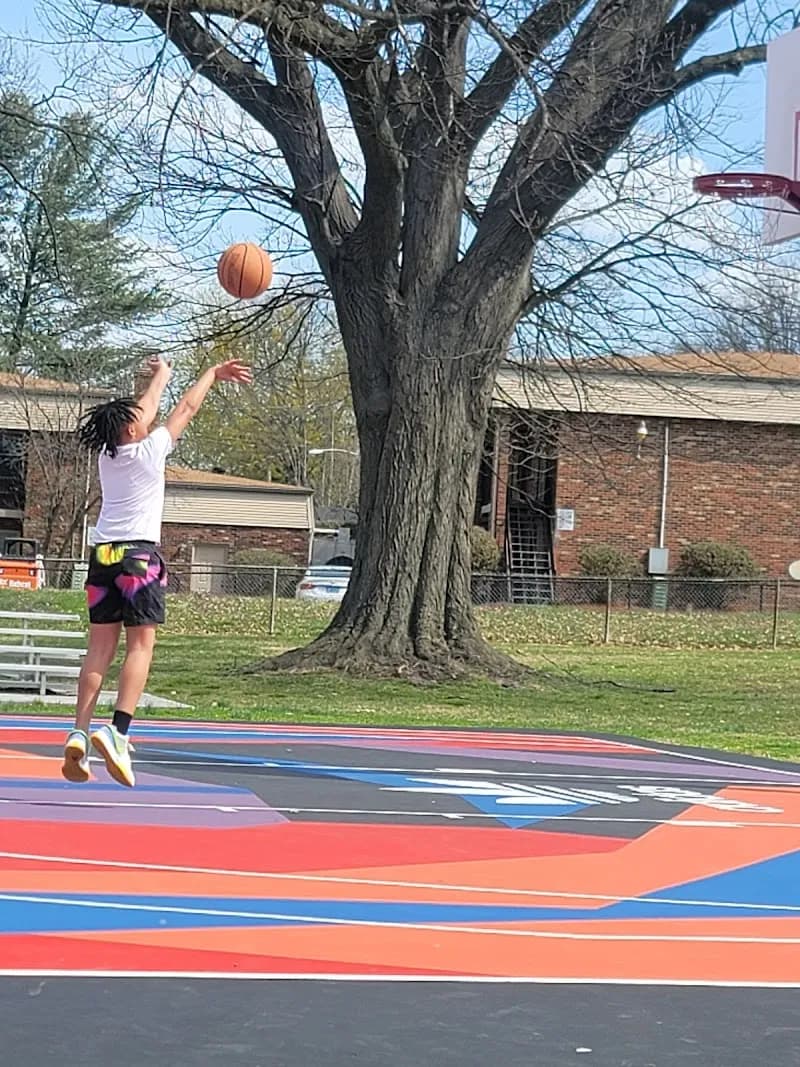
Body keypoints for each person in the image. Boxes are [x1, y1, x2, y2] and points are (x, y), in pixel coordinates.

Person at [61, 354, 252, 787]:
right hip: (139, 557)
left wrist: (161, 374)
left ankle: (78, 730)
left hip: (102, 557)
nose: (145, 415)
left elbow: (145, 409)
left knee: (99, 650)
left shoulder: (109, 458)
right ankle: (118, 731)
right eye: (138, 417)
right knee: (140, 647)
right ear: (132, 428)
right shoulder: (150, 451)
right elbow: (185, 409)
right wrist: (210, 375)